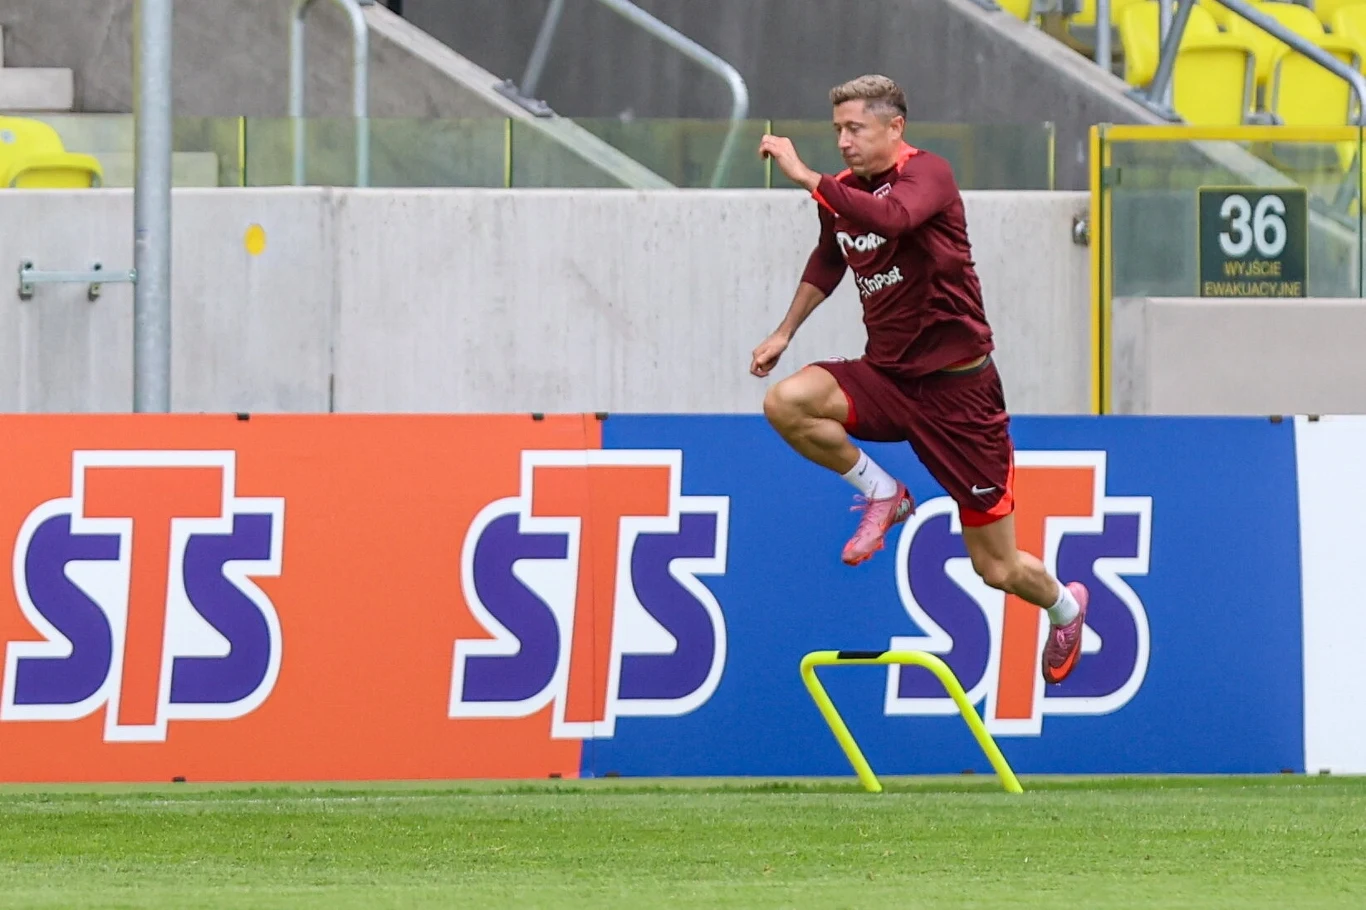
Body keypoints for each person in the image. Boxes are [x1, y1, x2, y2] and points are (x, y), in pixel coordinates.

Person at [752, 74, 1088, 685]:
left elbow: (895, 219)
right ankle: (884, 494)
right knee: (787, 402)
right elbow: (831, 256)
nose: (844, 142)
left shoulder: (928, 174)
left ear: (894, 127)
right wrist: (784, 332)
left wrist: (807, 177)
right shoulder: (846, 192)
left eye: (856, 129)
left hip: (960, 398)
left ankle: (1066, 609)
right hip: (889, 378)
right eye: (837, 132)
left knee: (998, 568)